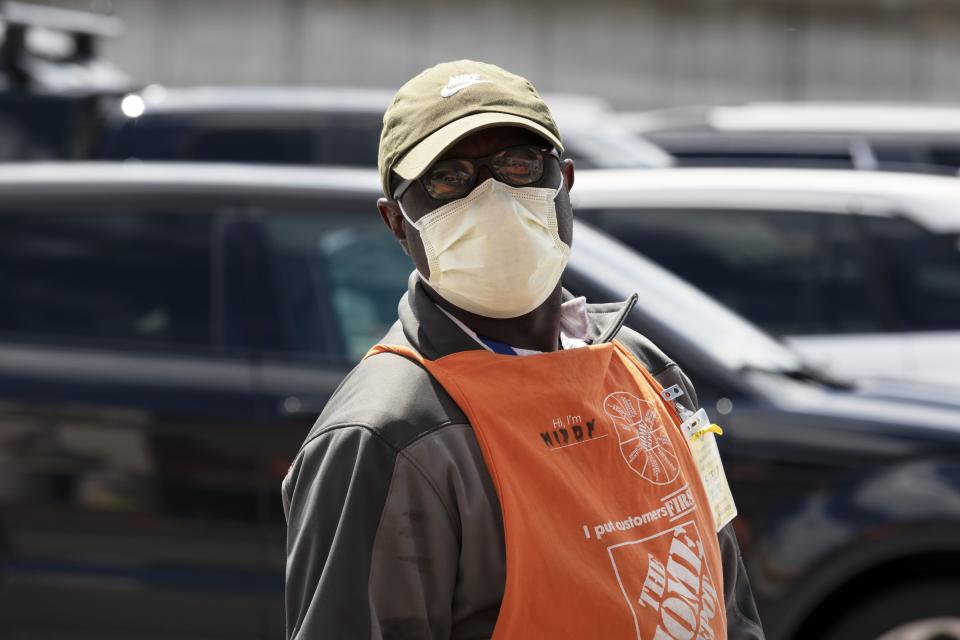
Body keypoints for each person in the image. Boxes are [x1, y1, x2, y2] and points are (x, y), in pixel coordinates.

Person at [283, 59, 765, 639]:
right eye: (448, 178)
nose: (494, 197)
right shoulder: (388, 436)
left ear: (564, 181)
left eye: (518, 165)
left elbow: (725, 598)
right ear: (396, 222)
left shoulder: (647, 371)